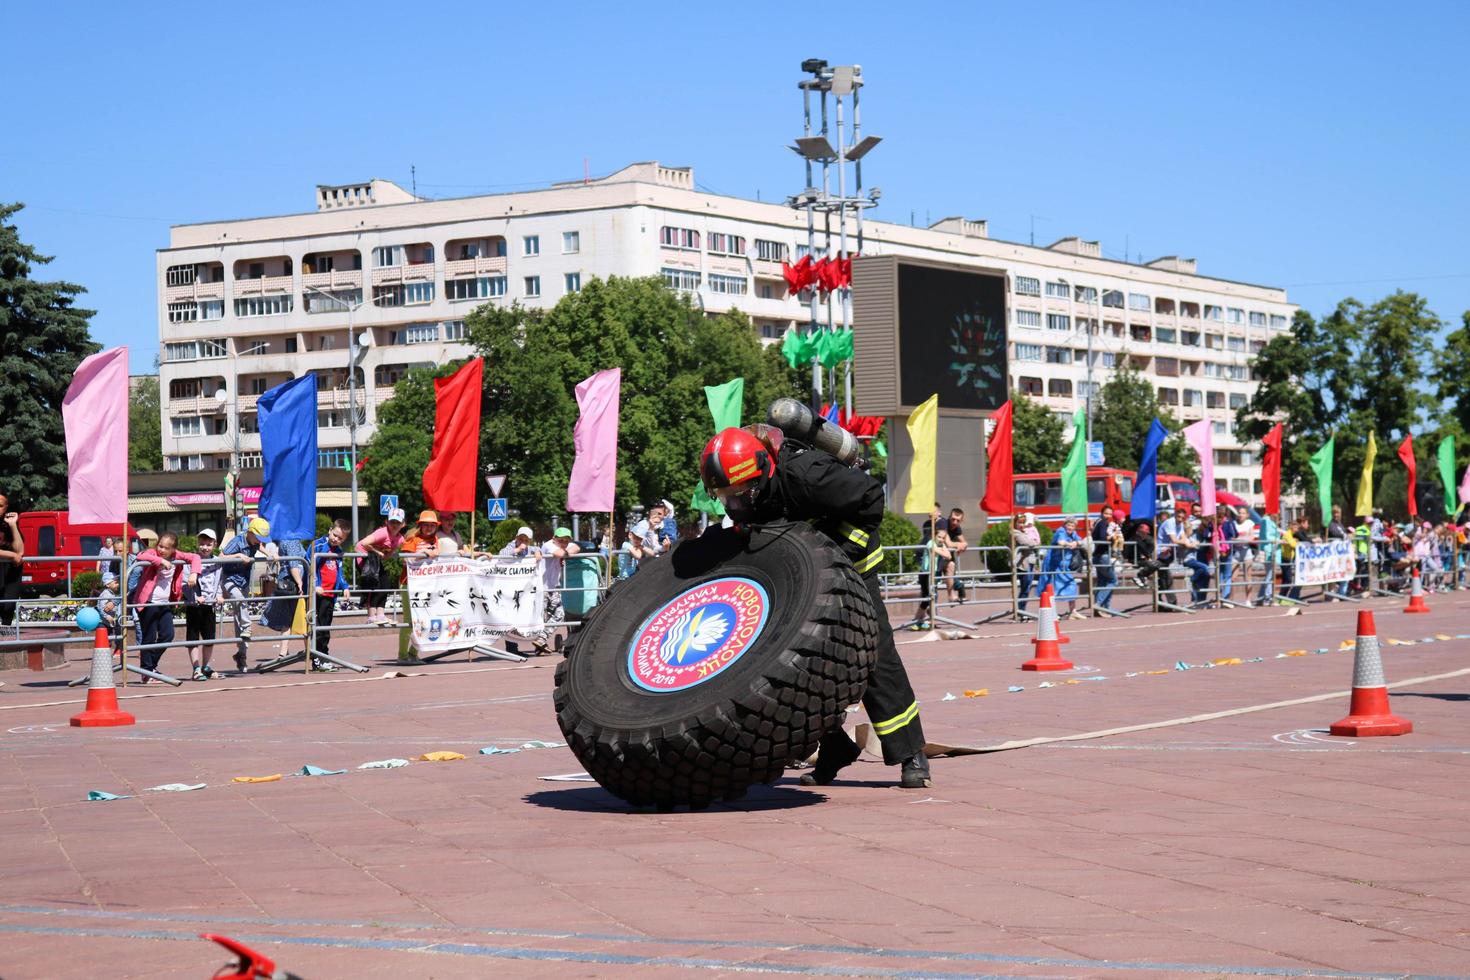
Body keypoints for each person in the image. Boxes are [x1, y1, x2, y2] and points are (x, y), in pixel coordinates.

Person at [701, 424, 932, 789]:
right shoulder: (751, 491)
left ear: (760, 474)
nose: (732, 502)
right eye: (724, 495)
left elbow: (871, 500)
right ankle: (834, 746)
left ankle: (910, 752)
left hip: (853, 568)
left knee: (871, 656)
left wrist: (832, 551)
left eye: (738, 493)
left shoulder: (808, 475)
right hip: (795, 580)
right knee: (792, 667)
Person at [130, 531, 202, 681]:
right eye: (160, 546)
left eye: (165, 548)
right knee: (149, 637)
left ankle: (150, 667)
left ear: (173, 549)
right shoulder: (153, 553)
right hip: (148, 602)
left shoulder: (177, 556)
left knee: (168, 635)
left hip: (165, 603)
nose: (161, 550)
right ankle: (147, 672)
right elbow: (140, 556)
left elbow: (195, 557)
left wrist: (194, 573)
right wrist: (160, 561)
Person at [219, 516, 270, 671]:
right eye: (257, 537)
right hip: (230, 579)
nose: (258, 541)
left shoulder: (255, 541)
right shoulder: (237, 541)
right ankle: (248, 627)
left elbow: (259, 546)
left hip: (244, 581)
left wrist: (270, 554)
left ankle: (241, 655)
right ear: (250, 532)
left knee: (238, 618)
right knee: (241, 602)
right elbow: (221, 557)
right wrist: (238, 556)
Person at [183, 528, 224, 680]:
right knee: (193, 638)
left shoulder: (217, 563)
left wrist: (219, 595)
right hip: (194, 605)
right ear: (198, 544)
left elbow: (218, 581)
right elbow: (185, 583)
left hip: (210, 605)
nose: (205, 547)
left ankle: (206, 666)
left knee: (209, 638)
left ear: (214, 545)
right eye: (202, 544)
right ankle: (196, 668)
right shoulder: (190, 561)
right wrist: (194, 596)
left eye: (208, 544)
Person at [309, 520, 349, 671]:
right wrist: (315, 585)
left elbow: (340, 572)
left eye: (340, 538)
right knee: (318, 627)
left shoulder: (338, 551)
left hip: (330, 595)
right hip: (318, 594)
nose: (336, 539)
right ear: (330, 530)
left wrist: (344, 586)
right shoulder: (318, 545)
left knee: (325, 627)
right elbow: (310, 565)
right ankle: (319, 658)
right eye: (335, 535)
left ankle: (323, 657)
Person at [355, 508, 405, 625]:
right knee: (374, 583)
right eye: (392, 522)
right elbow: (364, 543)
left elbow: (390, 553)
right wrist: (378, 552)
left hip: (374, 558)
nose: (395, 525)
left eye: (398, 522)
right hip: (363, 556)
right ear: (387, 522)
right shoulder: (382, 532)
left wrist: (390, 553)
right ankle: (372, 616)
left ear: (403, 524)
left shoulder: (400, 539)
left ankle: (380, 614)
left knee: (385, 583)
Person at [538, 527, 581, 643]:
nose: (564, 543)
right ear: (554, 538)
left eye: (566, 541)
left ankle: (541, 639)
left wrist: (566, 552)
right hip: (541, 587)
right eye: (561, 540)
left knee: (560, 614)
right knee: (539, 618)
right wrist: (565, 553)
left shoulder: (564, 546)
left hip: (555, 587)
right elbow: (559, 553)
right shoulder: (548, 545)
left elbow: (577, 547)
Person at [1044, 516, 1086, 618]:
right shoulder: (1061, 531)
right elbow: (1060, 542)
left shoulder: (1073, 534)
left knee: (1069, 585)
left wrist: (1076, 542)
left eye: (1073, 525)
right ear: (1065, 524)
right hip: (1054, 564)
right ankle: (1052, 613)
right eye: (1069, 524)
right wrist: (1069, 544)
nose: (1070, 527)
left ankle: (1072, 611)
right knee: (1052, 587)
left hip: (1063, 566)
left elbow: (1082, 541)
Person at [1090, 505, 1119, 613]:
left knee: (1102, 581)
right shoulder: (1103, 523)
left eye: (1110, 514)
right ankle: (1098, 604)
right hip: (1103, 555)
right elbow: (1102, 538)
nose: (1108, 516)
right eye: (1106, 513)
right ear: (1102, 513)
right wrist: (1113, 536)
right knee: (1113, 580)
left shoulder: (1097, 522)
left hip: (1096, 555)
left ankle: (1101, 607)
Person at [0, 492, 24, 627]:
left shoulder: (7, 524)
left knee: (8, 605)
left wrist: (13, 525)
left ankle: (6, 642)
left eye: (0, 506)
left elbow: (20, 551)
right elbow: (16, 555)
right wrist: (11, 555)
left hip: (10, 572)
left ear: (6, 507)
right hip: (6, 565)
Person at [1011, 512, 1042, 612]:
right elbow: (1028, 542)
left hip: (1029, 562)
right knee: (1025, 588)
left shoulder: (1024, 532)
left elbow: (1037, 542)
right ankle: (1020, 610)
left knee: (1027, 587)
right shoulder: (1015, 532)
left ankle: (1021, 610)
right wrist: (1034, 542)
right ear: (1015, 523)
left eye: (1023, 522)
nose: (1022, 525)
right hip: (1021, 564)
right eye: (1019, 522)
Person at [936, 507, 969, 602]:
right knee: (934, 581)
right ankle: (932, 608)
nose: (954, 522)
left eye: (958, 520)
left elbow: (965, 542)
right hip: (937, 556)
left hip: (947, 557)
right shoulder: (943, 524)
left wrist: (963, 545)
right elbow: (949, 544)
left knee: (951, 577)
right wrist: (960, 545)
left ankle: (953, 596)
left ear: (961, 521)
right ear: (949, 517)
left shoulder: (957, 528)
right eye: (953, 519)